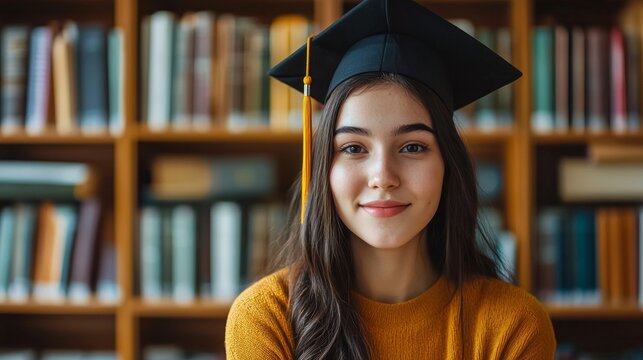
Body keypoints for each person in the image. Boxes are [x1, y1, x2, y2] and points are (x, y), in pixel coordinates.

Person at [225, 0, 557, 359]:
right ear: (323, 168)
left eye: (413, 147)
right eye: (353, 148)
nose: (382, 177)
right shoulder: (268, 319)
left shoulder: (512, 326)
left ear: (449, 163)